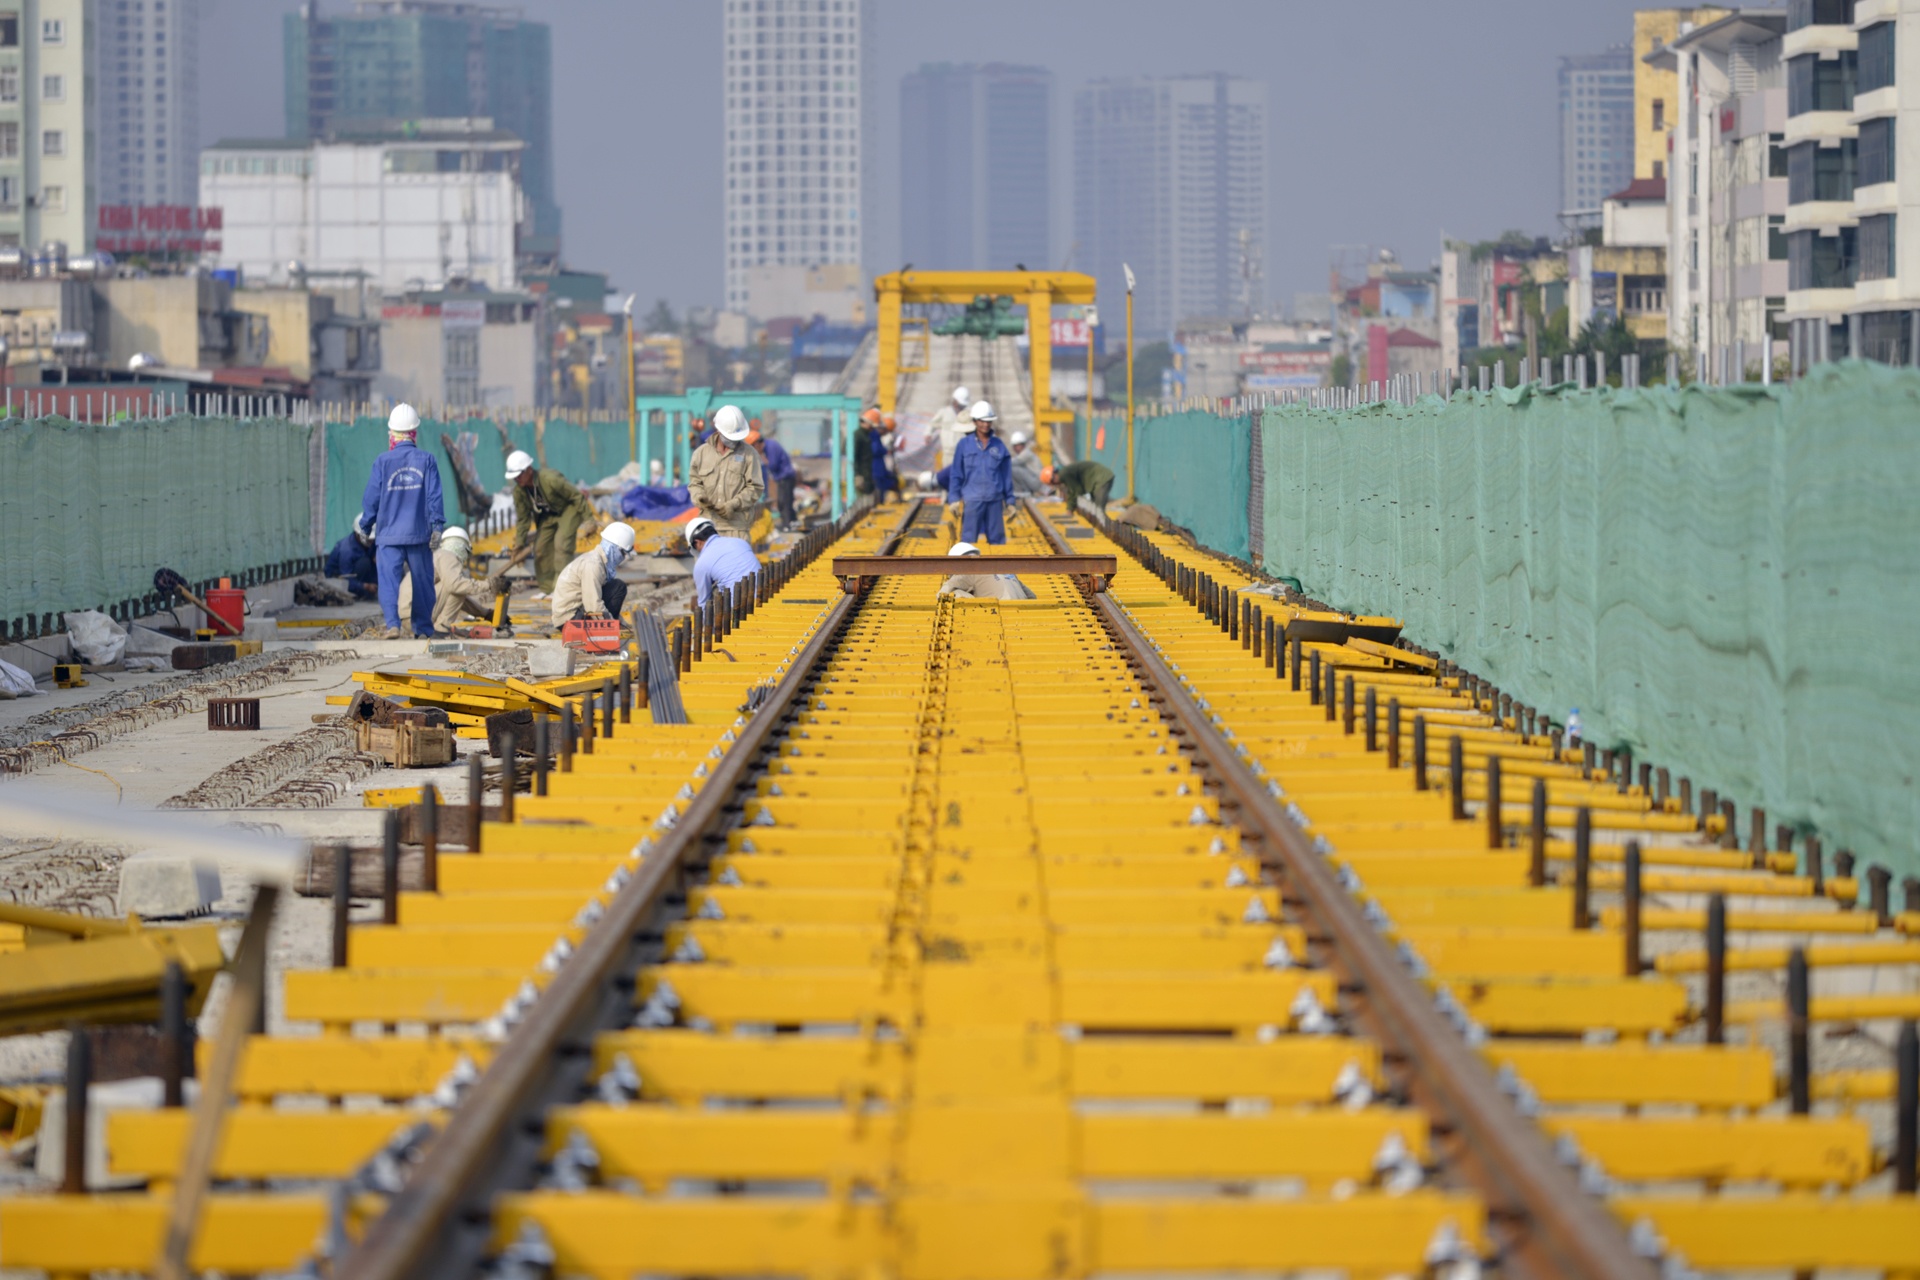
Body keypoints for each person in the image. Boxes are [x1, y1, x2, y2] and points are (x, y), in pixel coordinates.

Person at [360, 403, 446, 638]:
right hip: (419, 534)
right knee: (422, 582)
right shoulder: (427, 460)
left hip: (388, 535)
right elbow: (434, 496)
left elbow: (372, 497)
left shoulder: (382, 462)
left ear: (392, 433)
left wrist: (366, 524)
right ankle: (424, 629)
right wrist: (437, 526)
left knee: (389, 582)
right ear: (414, 432)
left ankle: (393, 625)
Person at [506, 449, 596, 596]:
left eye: (519, 475)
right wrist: (519, 545)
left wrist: (589, 520)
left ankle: (562, 589)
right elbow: (523, 519)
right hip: (548, 516)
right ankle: (548, 589)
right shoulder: (519, 492)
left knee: (561, 545)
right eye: (514, 477)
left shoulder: (550, 479)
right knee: (540, 549)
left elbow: (576, 496)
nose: (517, 480)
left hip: (569, 509)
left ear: (528, 470)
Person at [397, 526, 508, 635]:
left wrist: (486, 614)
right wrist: (489, 584)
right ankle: (441, 628)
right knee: (459, 585)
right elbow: (455, 586)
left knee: (459, 586)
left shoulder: (437, 556)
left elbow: (456, 594)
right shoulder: (447, 556)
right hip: (416, 617)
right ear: (461, 546)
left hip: (409, 618)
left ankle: (438, 628)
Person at [688, 404, 765, 538]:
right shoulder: (701, 454)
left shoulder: (749, 454)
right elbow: (695, 483)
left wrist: (734, 504)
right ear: (718, 430)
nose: (733, 441)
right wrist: (699, 497)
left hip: (737, 528)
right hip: (708, 527)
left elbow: (755, 488)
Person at [945, 400, 1015, 546]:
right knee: (968, 542)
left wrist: (1010, 501)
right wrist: (954, 499)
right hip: (972, 501)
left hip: (995, 500)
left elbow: (1006, 476)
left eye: (989, 421)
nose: (986, 425)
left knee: (997, 543)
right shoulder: (964, 445)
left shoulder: (999, 445)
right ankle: (967, 569)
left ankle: (998, 569)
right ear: (975, 422)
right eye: (982, 421)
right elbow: (956, 474)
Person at [552, 522, 637, 626]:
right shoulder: (593, 565)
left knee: (615, 586)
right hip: (569, 618)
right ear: (612, 548)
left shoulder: (599, 562)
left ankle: (607, 626)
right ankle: (605, 631)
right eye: (623, 553)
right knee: (619, 587)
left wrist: (619, 621)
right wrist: (612, 624)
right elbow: (593, 606)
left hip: (576, 612)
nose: (623, 557)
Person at [687, 515, 760, 608]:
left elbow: (704, 603)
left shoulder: (701, 563)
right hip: (763, 598)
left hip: (739, 609)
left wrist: (705, 621)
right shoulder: (740, 542)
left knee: (715, 592)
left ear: (698, 542)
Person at [939, 542, 1036, 601]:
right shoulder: (1003, 568)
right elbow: (1032, 597)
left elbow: (942, 594)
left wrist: (967, 598)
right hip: (1024, 613)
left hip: (1004, 614)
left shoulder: (970, 570)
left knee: (956, 592)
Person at [751, 423, 797, 528]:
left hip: (786, 477)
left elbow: (773, 465)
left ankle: (787, 525)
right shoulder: (769, 445)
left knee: (784, 502)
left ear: (757, 444)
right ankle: (793, 522)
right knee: (786, 501)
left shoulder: (771, 447)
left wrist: (762, 458)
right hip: (783, 477)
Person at [324, 517, 380, 600]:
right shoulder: (346, 551)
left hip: (357, 572)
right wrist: (365, 586)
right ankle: (360, 592)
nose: (371, 541)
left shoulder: (369, 543)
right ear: (357, 534)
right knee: (365, 563)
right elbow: (346, 578)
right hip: (338, 576)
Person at [1043, 459, 1116, 513]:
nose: (1056, 485)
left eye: (1053, 483)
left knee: (1099, 510)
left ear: (1053, 478)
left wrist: (1070, 509)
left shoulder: (1064, 474)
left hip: (1102, 479)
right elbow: (1073, 490)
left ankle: (1107, 530)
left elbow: (1076, 491)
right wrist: (1070, 508)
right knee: (1095, 510)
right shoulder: (1065, 473)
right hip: (1098, 480)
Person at [928, 384, 971, 465]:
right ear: (955, 401)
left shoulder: (968, 413)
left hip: (964, 452)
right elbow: (932, 423)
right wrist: (928, 433)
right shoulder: (944, 412)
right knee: (948, 474)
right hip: (948, 453)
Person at [1008, 430, 1044, 497]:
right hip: (1034, 480)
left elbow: (1012, 462)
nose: (1015, 448)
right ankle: (1023, 490)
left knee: (1012, 469)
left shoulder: (1026, 453)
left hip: (1036, 481)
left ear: (1023, 445)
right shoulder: (1024, 453)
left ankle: (1021, 492)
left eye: (1017, 445)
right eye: (1014, 446)